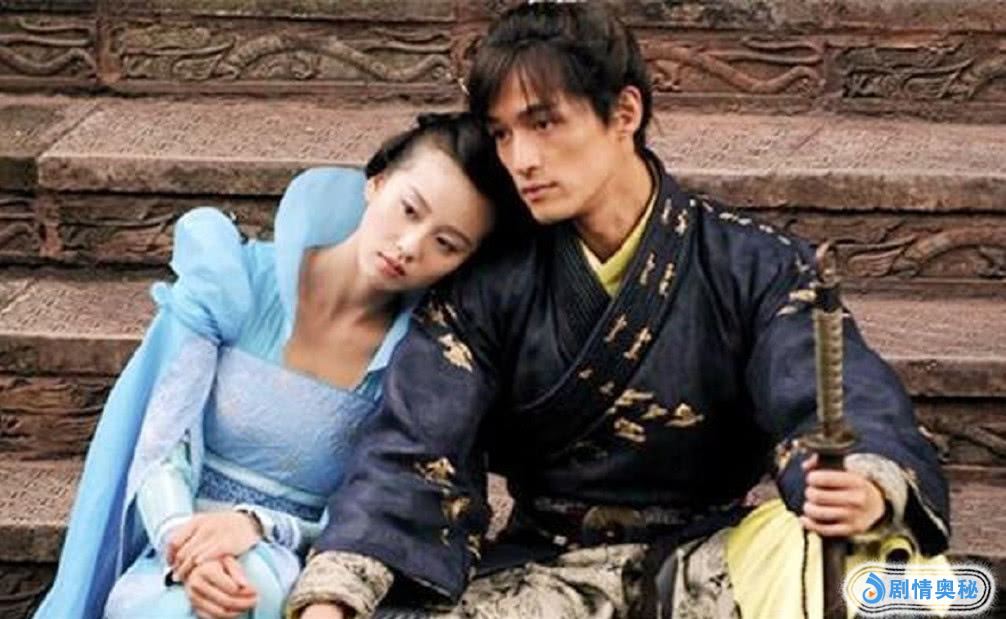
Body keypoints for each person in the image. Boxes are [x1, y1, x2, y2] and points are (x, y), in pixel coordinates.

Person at [286, 3, 951, 619]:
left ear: (624, 112)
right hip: (548, 575)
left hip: (718, 563)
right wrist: (334, 597)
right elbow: (413, 451)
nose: (521, 159)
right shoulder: (489, 285)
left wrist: (863, 486)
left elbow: (833, 392)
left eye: (544, 122)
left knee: (898, 582)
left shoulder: (755, 264)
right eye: (502, 134)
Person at [34, 112, 523, 619]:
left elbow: (374, 511)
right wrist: (185, 545)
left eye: (445, 244)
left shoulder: (419, 361)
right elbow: (161, 441)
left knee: (244, 596)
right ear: (377, 182)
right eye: (409, 210)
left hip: (293, 563)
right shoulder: (236, 282)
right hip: (173, 541)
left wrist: (255, 526)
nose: (409, 246)